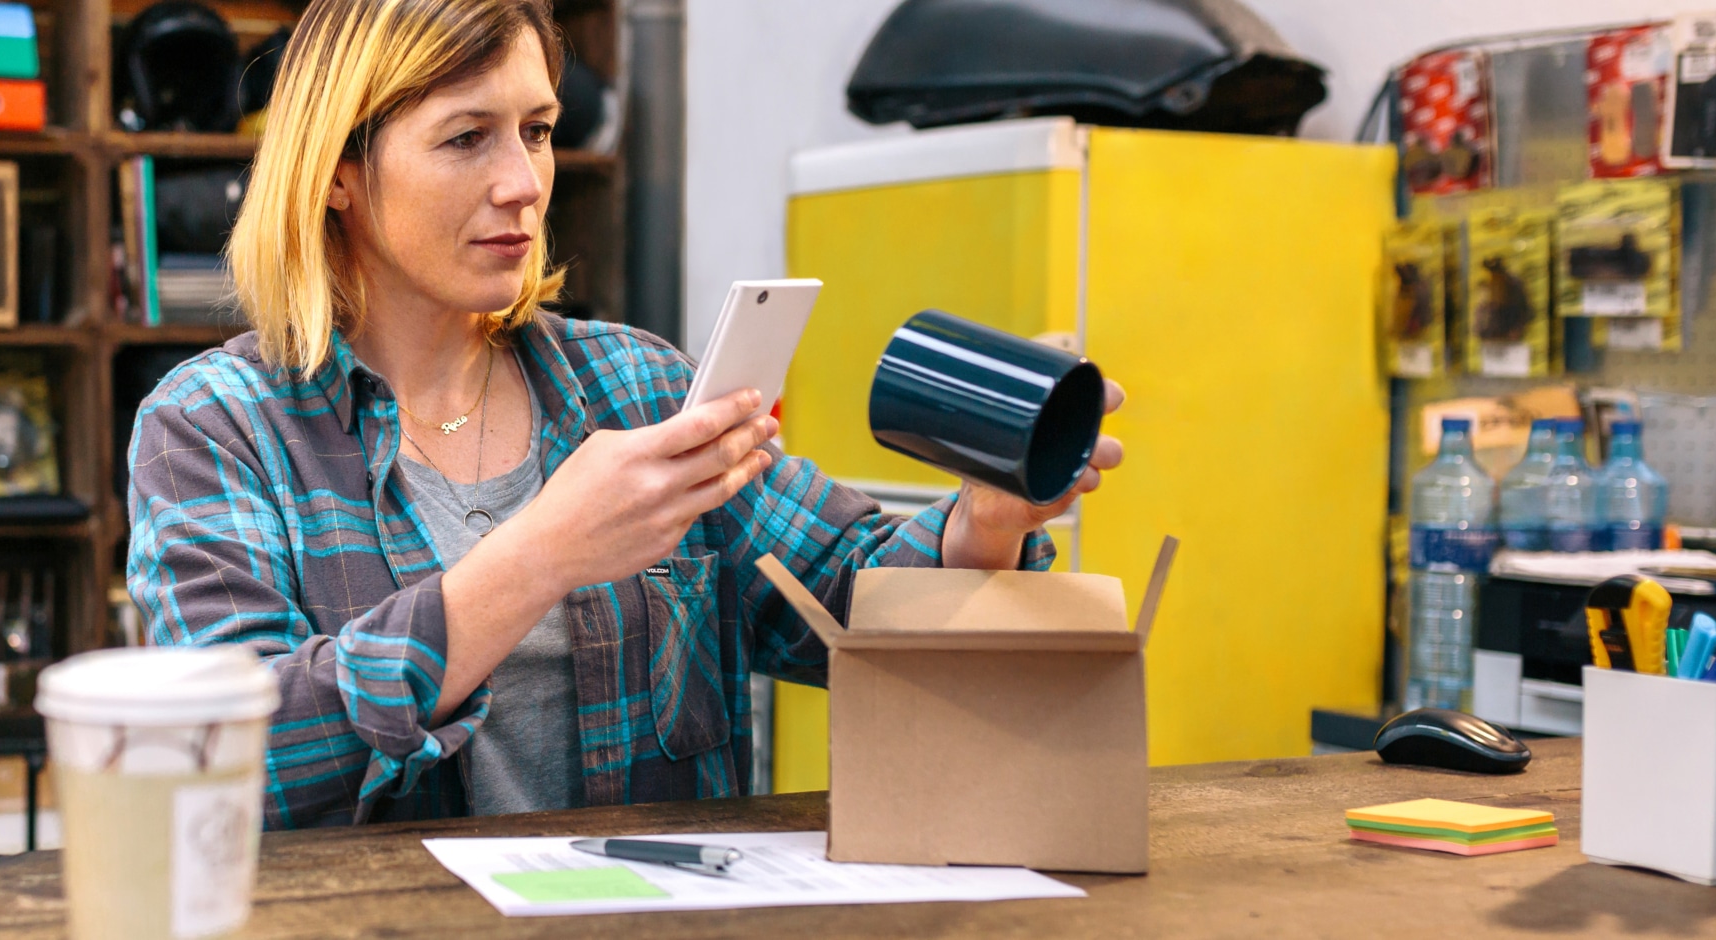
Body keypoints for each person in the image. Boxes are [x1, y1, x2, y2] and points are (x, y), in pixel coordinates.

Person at [126, 0, 1124, 829]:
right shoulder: (216, 426)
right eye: (466, 137)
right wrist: (540, 556)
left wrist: (987, 519)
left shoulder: (637, 389)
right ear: (338, 172)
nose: (522, 184)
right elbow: (230, 759)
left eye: (538, 130)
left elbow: (851, 610)